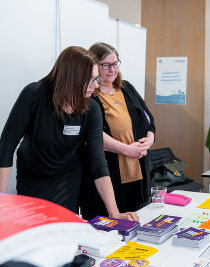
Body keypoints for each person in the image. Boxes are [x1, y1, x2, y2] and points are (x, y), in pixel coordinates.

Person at [0, 46, 137, 221]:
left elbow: (98, 161)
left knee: (63, 230)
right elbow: (6, 147)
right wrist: (2, 202)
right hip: (33, 179)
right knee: (37, 231)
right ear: (73, 77)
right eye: (91, 79)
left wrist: (114, 212)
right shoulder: (35, 94)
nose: (96, 86)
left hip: (67, 180)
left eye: (97, 79)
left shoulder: (91, 108)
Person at [78, 42, 155, 220]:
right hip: (107, 174)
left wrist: (150, 138)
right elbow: (91, 135)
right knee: (109, 224)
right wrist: (126, 149)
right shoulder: (89, 94)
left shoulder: (126, 87)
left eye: (115, 63)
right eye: (106, 65)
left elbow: (148, 119)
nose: (112, 69)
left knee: (138, 220)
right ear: (94, 66)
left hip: (137, 171)